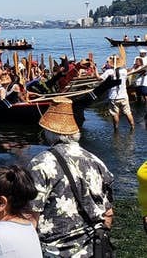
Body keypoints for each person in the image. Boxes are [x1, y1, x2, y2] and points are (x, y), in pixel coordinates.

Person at [27, 97, 114, 257]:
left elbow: (31, 217)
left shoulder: (40, 163)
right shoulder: (96, 161)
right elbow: (108, 214)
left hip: (55, 251)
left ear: (49, 132)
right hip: (93, 249)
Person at [97, 54, 134, 130]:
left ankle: (116, 128)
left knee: (115, 113)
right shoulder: (124, 71)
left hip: (113, 96)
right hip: (123, 95)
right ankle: (132, 126)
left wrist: (95, 69)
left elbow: (98, 78)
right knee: (128, 112)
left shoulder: (109, 71)